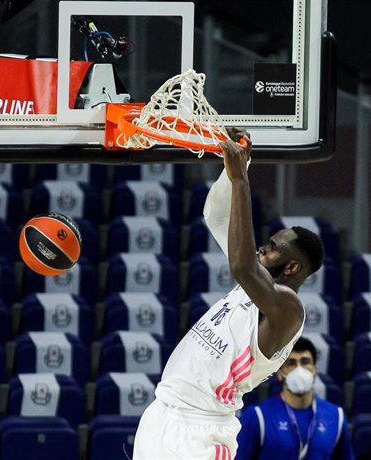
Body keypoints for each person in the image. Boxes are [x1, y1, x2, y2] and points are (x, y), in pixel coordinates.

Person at [132, 129, 325, 460]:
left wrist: (241, 182)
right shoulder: (254, 279)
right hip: (162, 413)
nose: (264, 246)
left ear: (292, 269)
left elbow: (242, 266)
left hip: (202, 432)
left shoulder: (288, 310)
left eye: (274, 247)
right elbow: (217, 216)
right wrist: (236, 166)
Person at [236, 337, 355, 460]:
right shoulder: (257, 416)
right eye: (291, 363)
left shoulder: (336, 416)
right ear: (280, 374)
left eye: (305, 362)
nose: (299, 369)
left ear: (315, 370)